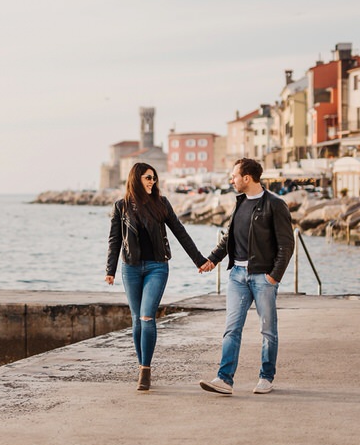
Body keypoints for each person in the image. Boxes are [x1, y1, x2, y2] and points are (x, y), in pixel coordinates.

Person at [105, 162, 211, 392]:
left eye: (154, 178)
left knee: (146, 317)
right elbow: (115, 240)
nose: (152, 181)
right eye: (148, 177)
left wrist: (199, 260)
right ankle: (141, 364)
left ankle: (145, 369)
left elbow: (180, 232)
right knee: (136, 320)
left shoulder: (161, 204)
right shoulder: (121, 207)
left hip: (157, 267)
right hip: (130, 268)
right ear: (136, 179)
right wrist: (110, 270)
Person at [197, 158, 295, 396]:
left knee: (267, 330)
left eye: (234, 176)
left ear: (247, 178)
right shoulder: (239, 203)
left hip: (263, 277)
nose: (232, 180)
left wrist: (274, 277)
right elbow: (229, 238)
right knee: (232, 328)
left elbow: (287, 244)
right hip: (237, 276)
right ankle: (224, 379)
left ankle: (266, 377)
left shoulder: (275, 204)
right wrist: (212, 259)